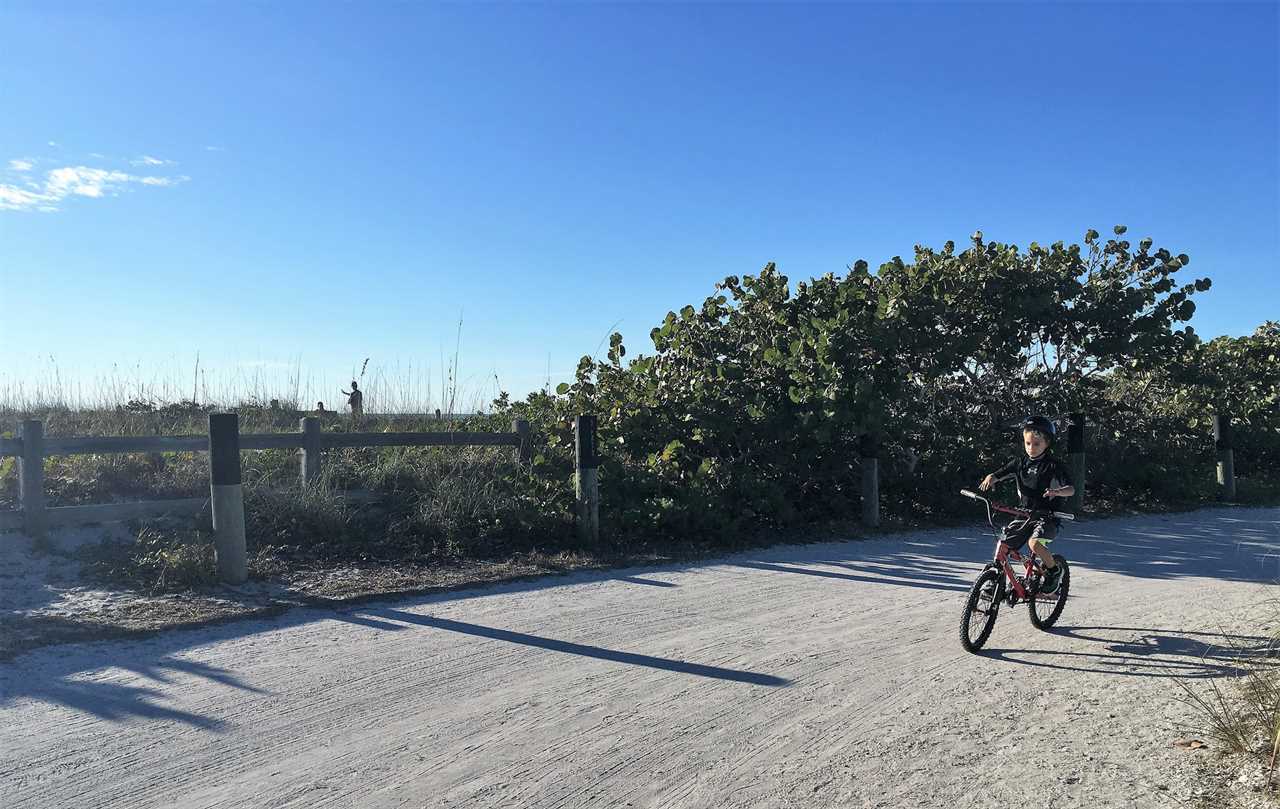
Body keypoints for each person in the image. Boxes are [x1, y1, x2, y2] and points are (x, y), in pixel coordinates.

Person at [979, 415, 1075, 593]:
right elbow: (999, 473)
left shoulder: (1053, 465)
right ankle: (995, 579)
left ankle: (1054, 571)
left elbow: (1071, 489)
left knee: (1035, 544)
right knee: (1004, 544)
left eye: (1037, 444)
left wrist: (1057, 492)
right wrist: (990, 478)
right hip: (1023, 514)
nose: (1031, 448)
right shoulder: (1020, 463)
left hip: (1047, 517)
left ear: (1047, 444)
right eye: (1027, 443)